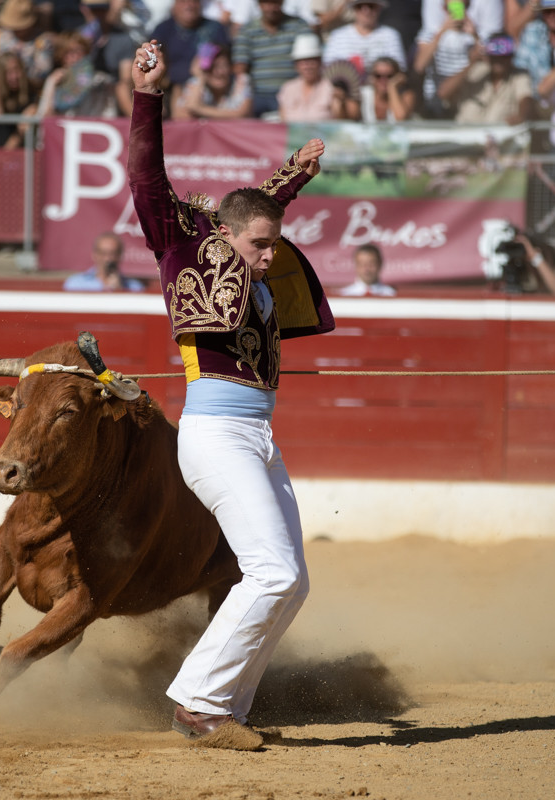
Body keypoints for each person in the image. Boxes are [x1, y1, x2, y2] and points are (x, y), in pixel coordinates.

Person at [128, 39, 334, 750]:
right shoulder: (183, 248)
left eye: (275, 245)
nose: (270, 258)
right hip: (214, 434)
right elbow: (146, 178)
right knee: (272, 572)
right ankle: (198, 702)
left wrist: (294, 177)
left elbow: (258, 207)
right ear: (224, 237)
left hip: (257, 437)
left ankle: (226, 710)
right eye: (259, 247)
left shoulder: (249, 240)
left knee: (292, 581)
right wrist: (148, 97)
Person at [414, 0, 503, 116]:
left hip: (464, 103)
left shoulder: (475, 36)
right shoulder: (431, 33)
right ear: (444, 8)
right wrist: (441, 32)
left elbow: (490, 64)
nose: (457, 11)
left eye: (464, 7)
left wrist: (475, 36)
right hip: (435, 103)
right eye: (451, 7)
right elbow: (419, 66)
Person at [232, 0, 312, 117]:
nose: (271, 8)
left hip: (293, 93)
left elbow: (309, 59)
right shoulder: (247, 31)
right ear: (259, 5)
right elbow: (240, 67)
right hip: (257, 95)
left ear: (282, 3)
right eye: (266, 3)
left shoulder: (299, 26)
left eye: (275, 3)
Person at [439, 30, 534, 124]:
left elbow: (526, 99)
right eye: (495, 56)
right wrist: (472, 62)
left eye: (504, 56)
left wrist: (521, 116)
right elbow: (443, 93)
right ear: (488, 56)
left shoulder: (519, 75)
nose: (499, 61)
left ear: (511, 57)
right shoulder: (475, 71)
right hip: (465, 135)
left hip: (500, 137)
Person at [151, 0, 230, 89]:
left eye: (195, 1)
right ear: (174, 6)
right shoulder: (162, 29)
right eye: (183, 1)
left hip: (207, 88)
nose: (190, 5)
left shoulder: (216, 28)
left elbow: (225, 61)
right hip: (170, 88)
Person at [37, 30, 118, 117]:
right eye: (68, 52)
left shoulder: (100, 79)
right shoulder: (53, 79)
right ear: (60, 55)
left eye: (79, 51)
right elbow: (45, 117)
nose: (75, 57)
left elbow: (109, 113)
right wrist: (52, 85)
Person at [276, 32, 351, 120]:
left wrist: (341, 102)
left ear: (320, 62)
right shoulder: (288, 89)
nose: (307, 66)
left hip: (322, 134)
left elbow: (341, 121)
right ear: (296, 65)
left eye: (312, 61)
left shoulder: (330, 88)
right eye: (303, 62)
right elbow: (282, 121)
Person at [323, 0, 408, 74]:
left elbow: (400, 71)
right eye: (360, 7)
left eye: (371, 6)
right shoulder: (337, 36)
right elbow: (328, 71)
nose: (366, 11)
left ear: (379, 8)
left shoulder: (391, 35)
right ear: (354, 9)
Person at [172, 42, 252, 118]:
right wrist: (200, 77)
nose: (219, 72)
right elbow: (179, 116)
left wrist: (198, 109)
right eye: (212, 67)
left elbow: (241, 114)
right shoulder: (197, 82)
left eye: (223, 66)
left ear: (230, 67)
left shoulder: (241, 81)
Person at [0, 50, 38, 148]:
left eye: (17, 70)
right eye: (8, 72)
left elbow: (19, 134)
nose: (14, 76)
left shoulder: (30, 95)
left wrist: (2, 158)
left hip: (12, 153)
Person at [63, 232, 145, 291]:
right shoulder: (75, 284)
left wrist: (120, 291)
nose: (108, 259)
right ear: (94, 255)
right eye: (103, 253)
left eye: (113, 253)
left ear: (120, 255)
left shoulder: (134, 287)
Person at [357, 55, 414, 121]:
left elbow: (400, 119)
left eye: (389, 76)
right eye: (378, 76)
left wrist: (392, 86)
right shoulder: (362, 95)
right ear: (372, 77)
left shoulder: (406, 96)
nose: (383, 80)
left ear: (397, 76)